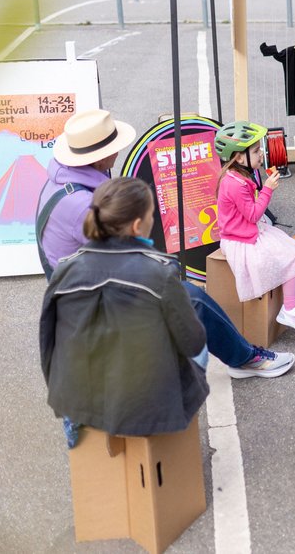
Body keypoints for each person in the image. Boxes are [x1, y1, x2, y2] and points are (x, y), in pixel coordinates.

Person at [37, 109, 294, 380]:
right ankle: (244, 359)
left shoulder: (63, 181)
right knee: (192, 300)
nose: (118, 152)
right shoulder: (80, 207)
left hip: (79, 281)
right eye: (114, 148)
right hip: (87, 299)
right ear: (99, 157)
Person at [39, 177, 208, 438]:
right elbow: (193, 343)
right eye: (152, 215)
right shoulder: (159, 274)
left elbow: (47, 340)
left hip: (74, 395)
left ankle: (79, 422)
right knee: (197, 338)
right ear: (139, 225)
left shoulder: (64, 269)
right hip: (143, 408)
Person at [215, 120, 295, 332]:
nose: (261, 154)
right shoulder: (234, 183)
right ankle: (289, 309)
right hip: (241, 239)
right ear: (239, 157)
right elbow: (252, 214)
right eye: (255, 150)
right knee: (292, 258)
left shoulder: (239, 175)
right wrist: (267, 190)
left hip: (248, 232)